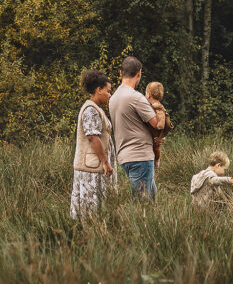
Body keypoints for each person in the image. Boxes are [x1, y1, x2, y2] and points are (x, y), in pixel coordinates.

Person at [108, 56, 160, 200]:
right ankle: (130, 223)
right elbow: (157, 124)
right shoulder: (135, 97)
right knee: (141, 202)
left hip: (124, 156)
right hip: (140, 155)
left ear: (120, 73)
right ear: (139, 73)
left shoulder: (113, 98)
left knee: (152, 196)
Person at [69, 69, 115, 220]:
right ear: (98, 90)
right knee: (89, 208)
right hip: (90, 167)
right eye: (107, 91)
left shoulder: (97, 109)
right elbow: (93, 138)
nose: (109, 95)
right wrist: (105, 162)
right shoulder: (90, 110)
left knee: (95, 206)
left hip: (94, 166)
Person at [144, 81, 172, 170]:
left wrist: (159, 126)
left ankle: (156, 161)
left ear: (149, 94)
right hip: (155, 133)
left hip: (154, 132)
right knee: (156, 146)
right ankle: (156, 161)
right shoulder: (158, 106)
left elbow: (160, 123)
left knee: (156, 146)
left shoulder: (155, 107)